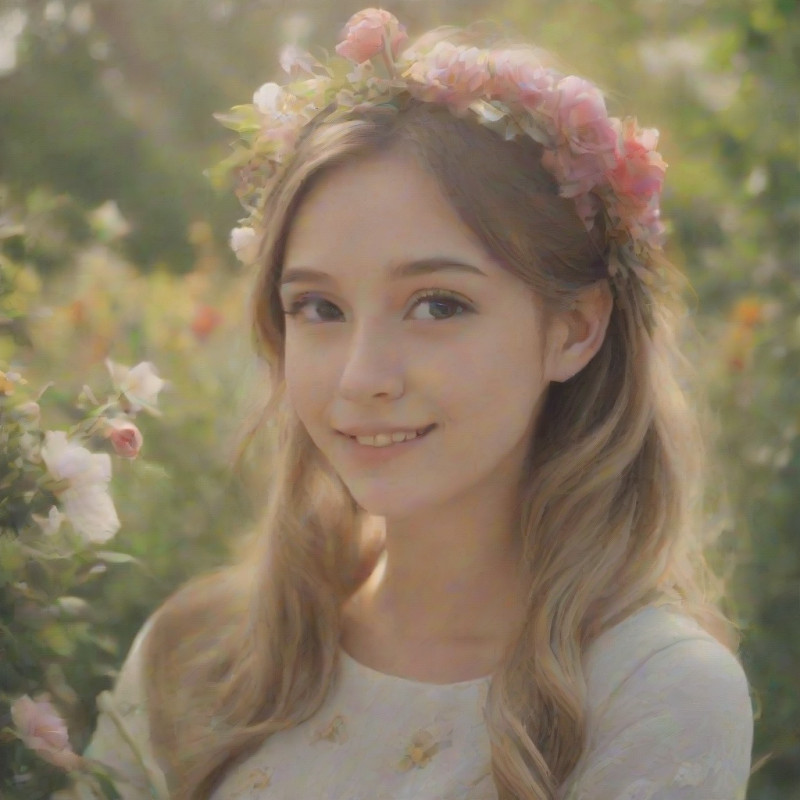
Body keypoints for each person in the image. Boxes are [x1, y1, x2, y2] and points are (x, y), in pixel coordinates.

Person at [80, 8, 754, 800]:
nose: (361, 377)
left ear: (573, 329)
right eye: (319, 309)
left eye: (436, 305)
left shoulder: (650, 691)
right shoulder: (194, 650)